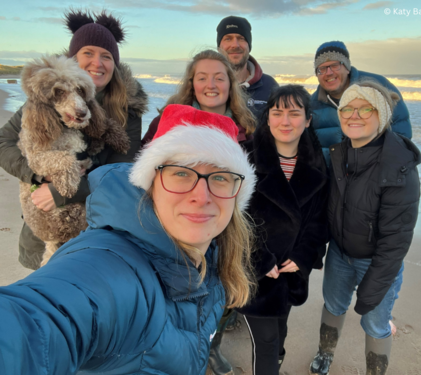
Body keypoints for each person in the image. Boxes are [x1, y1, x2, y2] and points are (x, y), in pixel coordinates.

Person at [0, 104, 257, 375]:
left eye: (219, 177)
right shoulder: (111, 266)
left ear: (237, 192)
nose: (202, 196)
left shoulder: (212, 257)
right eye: (181, 173)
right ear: (151, 184)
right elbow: (37, 324)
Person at [0, 9, 148, 270]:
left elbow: (122, 172)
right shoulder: (46, 97)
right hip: (42, 222)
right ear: (73, 58)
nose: (97, 63)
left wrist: (61, 192)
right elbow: (4, 142)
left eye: (106, 56)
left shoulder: (129, 111)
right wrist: (35, 175)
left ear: (115, 64)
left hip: (97, 226)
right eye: (87, 53)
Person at [309, 80, 421, 375]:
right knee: (333, 305)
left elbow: (396, 240)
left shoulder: (398, 165)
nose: (353, 115)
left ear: (381, 115)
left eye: (365, 108)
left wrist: (374, 285)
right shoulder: (339, 153)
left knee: (375, 321)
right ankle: (325, 354)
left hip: (379, 261)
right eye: (347, 107)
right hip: (340, 253)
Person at [236, 85, 329, 374]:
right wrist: (258, 259)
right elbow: (232, 219)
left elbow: (319, 221)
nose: (285, 121)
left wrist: (303, 256)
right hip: (253, 269)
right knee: (266, 341)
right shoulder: (245, 157)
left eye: (294, 113)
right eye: (277, 112)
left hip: (289, 272)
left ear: (308, 119)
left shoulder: (316, 164)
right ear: (267, 118)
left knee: (279, 333)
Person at [310, 41, 412, 164]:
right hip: (336, 179)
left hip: (378, 173)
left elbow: (401, 132)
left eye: (335, 65)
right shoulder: (312, 105)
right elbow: (313, 149)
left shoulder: (378, 86)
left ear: (347, 67)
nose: (329, 72)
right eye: (321, 69)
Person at [141, 49, 256, 146]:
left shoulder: (244, 130)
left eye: (219, 78)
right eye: (202, 78)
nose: (211, 85)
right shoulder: (164, 123)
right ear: (192, 85)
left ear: (230, 84)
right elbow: (142, 168)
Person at [216, 16, 278, 122]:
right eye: (228, 38)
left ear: (249, 46)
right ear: (219, 47)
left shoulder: (269, 86)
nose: (235, 45)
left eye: (241, 38)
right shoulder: (208, 87)